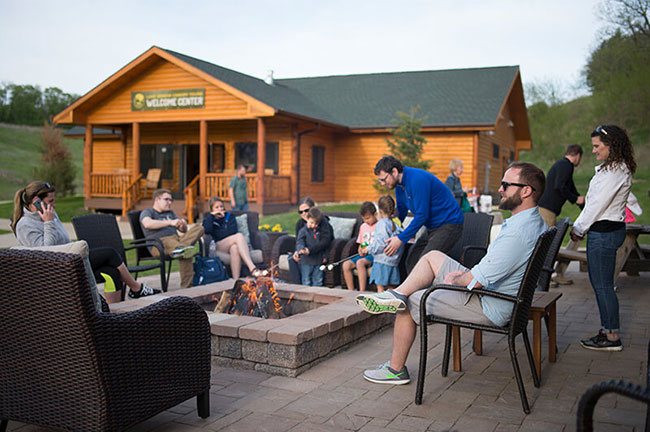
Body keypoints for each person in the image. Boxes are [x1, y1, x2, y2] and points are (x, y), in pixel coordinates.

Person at [357, 162, 547, 384]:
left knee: (411, 301)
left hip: (491, 304)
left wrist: (455, 279)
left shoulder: (517, 234)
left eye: (506, 184)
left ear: (526, 191)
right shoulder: (533, 222)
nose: (500, 189)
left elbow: (475, 282)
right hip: (493, 289)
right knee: (431, 257)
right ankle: (396, 293)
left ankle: (395, 369)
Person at [12, 181, 160, 303]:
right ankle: (136, 288)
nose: (54, 205)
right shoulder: (25, 225)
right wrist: (48, 223)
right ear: (36, 202)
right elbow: (45, 253)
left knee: (112, 273)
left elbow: (64, 240)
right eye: (50, 201)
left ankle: (113, 315)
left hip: (70, 258)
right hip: (58, 267)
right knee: (110, 253)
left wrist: (50, 221)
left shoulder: (49, 213)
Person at [570, 125, 636, 352]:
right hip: (606, 231)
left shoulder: (616, 171)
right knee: (602, 285)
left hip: (604, 233)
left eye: (597, 146)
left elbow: (596, 205)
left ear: (612, 145)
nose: (594, 151)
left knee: (604, 286)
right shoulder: (614, 169)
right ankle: (608, 329)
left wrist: (579, 228)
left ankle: (612, 336)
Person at [374, 156, 464, 272]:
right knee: (412, 261)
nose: (382, 183)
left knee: (424, 264)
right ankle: (415, 290)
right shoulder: (399, 187)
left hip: (450, 224)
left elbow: (422, 215)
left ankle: (439, 288)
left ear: (394, 172)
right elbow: (401, 211)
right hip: (433, 227)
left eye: (383, 179)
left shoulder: (416, 180)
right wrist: (390, 229)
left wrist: (401, 238)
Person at [140, 189, 204, 289]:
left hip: (177, 240)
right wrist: (170, 222)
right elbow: (147, 224)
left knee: (199, 227)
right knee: (184, 250)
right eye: (167, 199)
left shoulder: (170, 213)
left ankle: (181, 249)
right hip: (159, 244)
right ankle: (187, 288)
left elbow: (183, 231)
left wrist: (183, 226)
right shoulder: (148, 212)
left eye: (171, 200)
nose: (170, 202)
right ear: (157, 200)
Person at [202, 197, 262, 279]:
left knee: (235, 248)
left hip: (231, 244)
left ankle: (235, 280)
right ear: (212, 209)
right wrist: (212, 216)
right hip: (220, 246)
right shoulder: (209, 219)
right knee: (239, 236)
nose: (220, 209)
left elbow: (232, 232)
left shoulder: (230, 217)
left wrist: (223, 221)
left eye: (221, 206)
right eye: (217, 207)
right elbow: (207, 230)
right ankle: (252, 267)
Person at [538, 144, 585, 227]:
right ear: (578, 155)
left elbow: (570, 187)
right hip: (547, 210)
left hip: (545, 208)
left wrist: (581, 202)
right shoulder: (566, 165)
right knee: (548, 238)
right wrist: (575, 199)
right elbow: (560, 186)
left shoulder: (563, 164)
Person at [366, 195, 404, 293]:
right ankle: (392, 305)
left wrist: (369, 249)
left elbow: (380, 244)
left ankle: (381, 307)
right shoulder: (396, 225)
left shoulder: (381, 224)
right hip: (394, 262)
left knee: (380, 288)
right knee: (391, 288)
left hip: (382, 262)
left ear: (380, 211)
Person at [342, 201, 377, 291]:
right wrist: (360, 249)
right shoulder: (363, 227)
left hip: (374, 255)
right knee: (346, 265)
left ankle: (361, 291)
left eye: (368, 218)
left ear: (375, 214)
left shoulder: (379, 226)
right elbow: (362, 243)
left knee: (360, 263)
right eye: (364, 219)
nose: (366, 221)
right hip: (364, 255)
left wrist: (368, 250)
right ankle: (351, 291)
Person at [294, 207, 333, 286]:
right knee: (306, 280)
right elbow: (299, 241)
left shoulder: (321, 231)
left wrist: (325, 255)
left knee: (318, 280)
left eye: (316, 224)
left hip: (318, 260)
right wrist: (300, 249)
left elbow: (324, 245)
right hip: (306, 261)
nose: (314, 225)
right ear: (307, 219)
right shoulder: (303, 231)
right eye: (311, 223)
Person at [288, 197, 316, 284]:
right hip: (303, 251)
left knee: (304, 260)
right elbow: (298, 241)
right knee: (291, 258)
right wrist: (297, 251)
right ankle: (298, 286)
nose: (303, 213)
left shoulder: (320, 221)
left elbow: (323, 241)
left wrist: (309, 250)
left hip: (316, 251)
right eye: (301, 212)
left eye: (306, 210)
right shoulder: (300, 223)